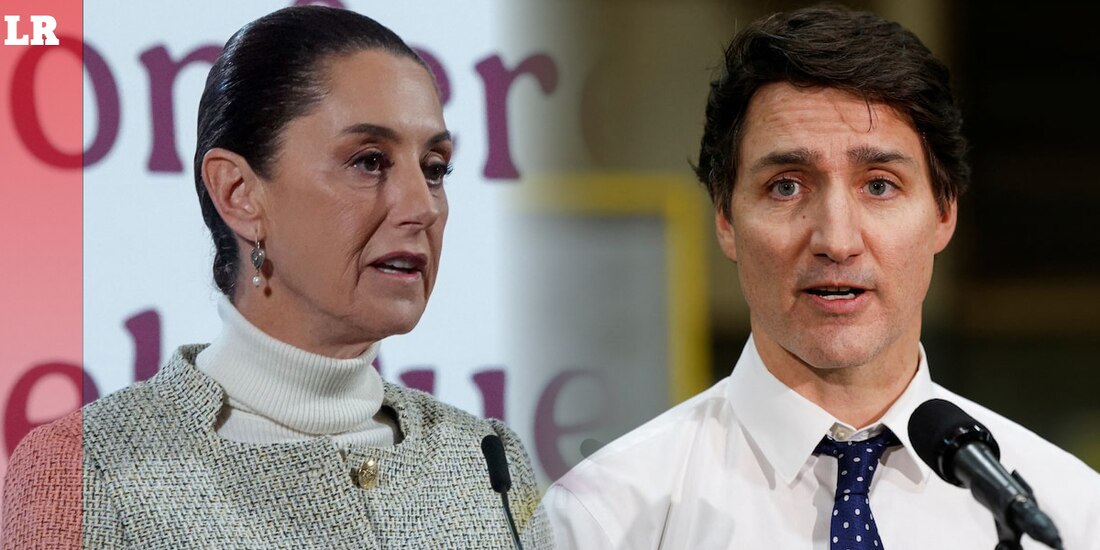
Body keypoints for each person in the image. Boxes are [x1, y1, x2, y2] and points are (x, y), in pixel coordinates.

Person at [543, 5, 1100, 549]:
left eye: (879, 185)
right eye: (786, 186)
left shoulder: (1063, 514)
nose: (836, 240)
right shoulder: (605, 517)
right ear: (725, 219)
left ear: (944, 212)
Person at [1, 6, 550, 548]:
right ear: (238, 194)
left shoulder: (485, 459)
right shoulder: (85, 472)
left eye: (434, 169)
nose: (422, 207)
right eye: (369, 161)